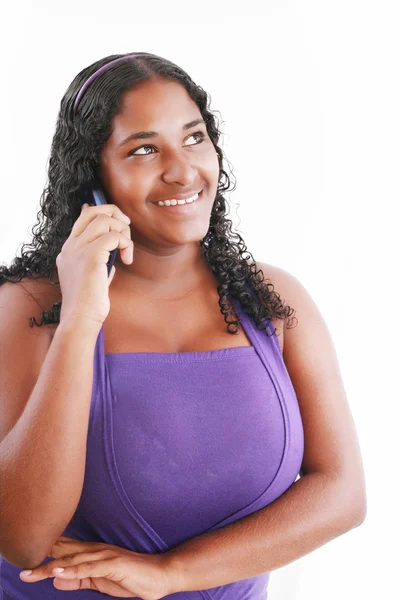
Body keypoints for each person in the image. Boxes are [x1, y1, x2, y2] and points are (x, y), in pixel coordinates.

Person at [0, 52, 366, 599]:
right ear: (93, 175)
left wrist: (171, 573)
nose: (182, 169)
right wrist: (81, 318)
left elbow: (343, 494)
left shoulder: (272, 300)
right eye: (143, 149)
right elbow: (23, 539)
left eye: (194, 138)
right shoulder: (29, 307)